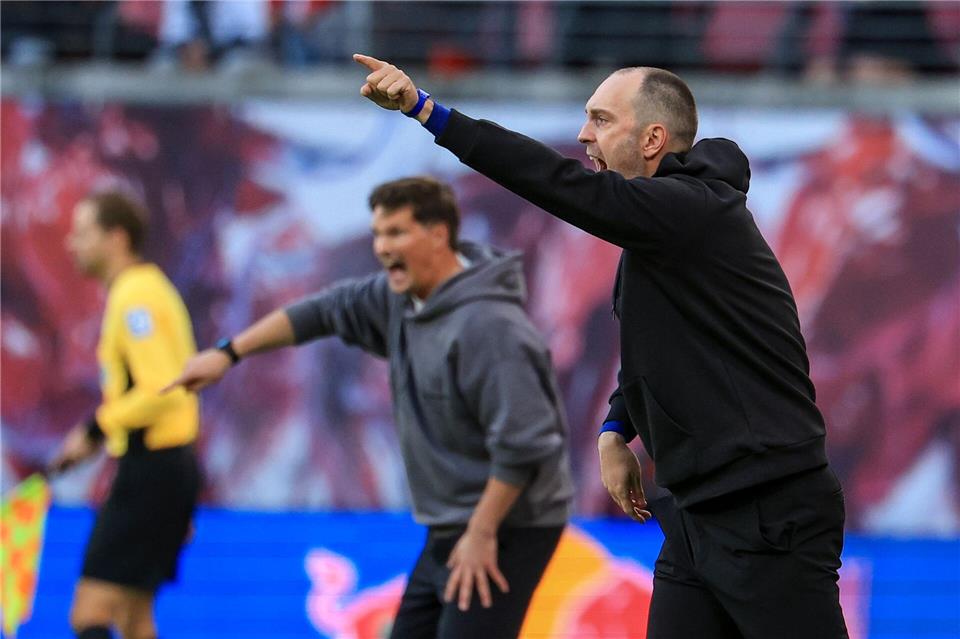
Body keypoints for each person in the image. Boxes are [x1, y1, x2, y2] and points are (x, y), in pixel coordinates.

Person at [351, 54, 848, 639]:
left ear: (653, 137)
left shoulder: (691, 213)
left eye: (601, 119)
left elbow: (556, 183)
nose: (584, 135)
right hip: (697, 514)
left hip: (766, 510)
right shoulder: (664, 230)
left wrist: (426, 111)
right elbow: (657, 349)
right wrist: (617, 429)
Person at [165, 176, 573, 639]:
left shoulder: (491, 327)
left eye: (396, 233)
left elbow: (527, 447)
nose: (381, 247)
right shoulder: (401, 299)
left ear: (439, 234)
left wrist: (482, 535)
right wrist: (228, 353)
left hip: (510, 523)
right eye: (378, 233)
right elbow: (320, 311)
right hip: (452, 521)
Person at [50, 191, 202, 639]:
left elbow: (162, 389)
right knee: (135, 620)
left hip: (152, 470)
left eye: (82, 233)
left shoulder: (136, 297)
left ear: (116, 238)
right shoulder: (141, 290)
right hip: (165, 467)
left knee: (89, 613)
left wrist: (95, 427)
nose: (71, 244)